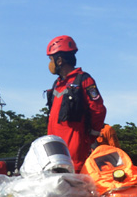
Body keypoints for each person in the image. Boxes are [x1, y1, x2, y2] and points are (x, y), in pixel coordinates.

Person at [45, 35, 107, 171]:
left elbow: (98, 110)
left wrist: (91, 136)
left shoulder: (83, 80)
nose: (49, 64)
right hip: (55, 148)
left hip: (74, 149)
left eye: (51, 59)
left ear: (59, 60)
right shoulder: (57, 84)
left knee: (73, 181)